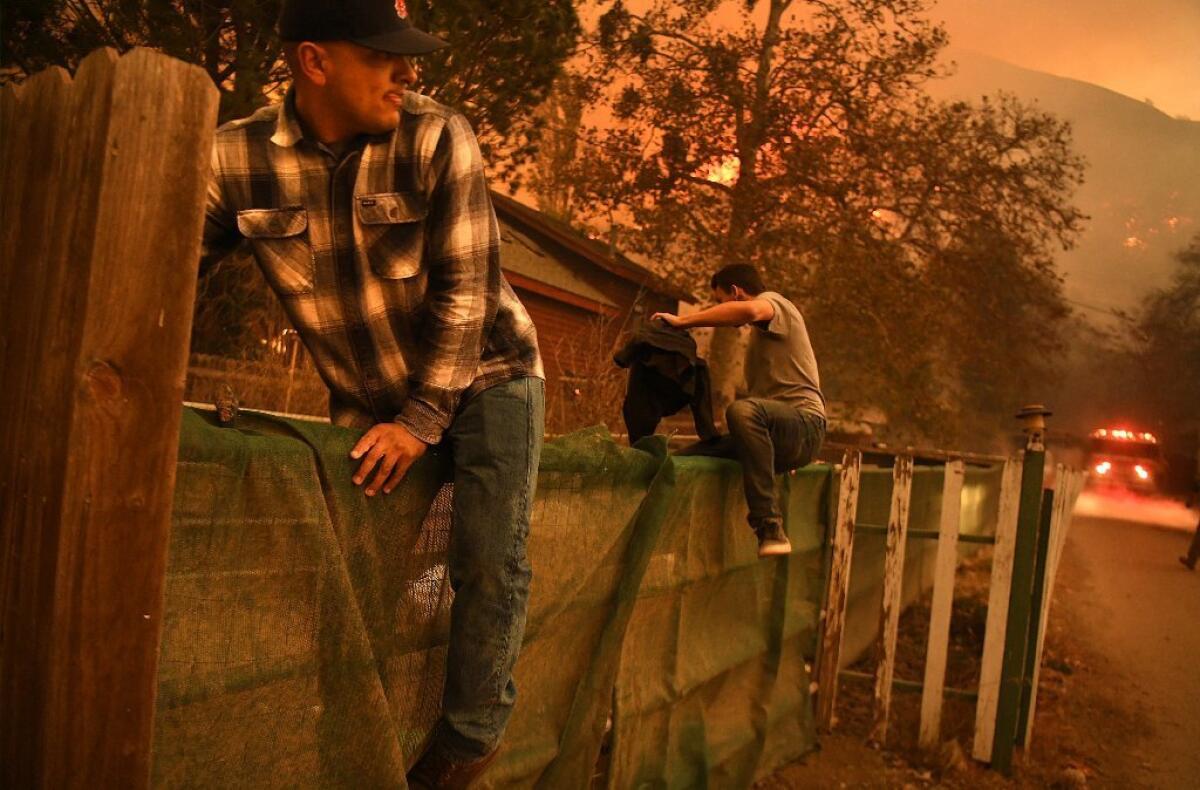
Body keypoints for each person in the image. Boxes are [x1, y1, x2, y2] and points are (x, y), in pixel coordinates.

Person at [200, 1, 544, 785]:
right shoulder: (234, 160)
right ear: (315, 62)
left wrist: (424, 421)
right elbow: (160, 267)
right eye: (385, 55)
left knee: (487, 556)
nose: (408, 71)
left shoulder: (435, 134)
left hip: (489, 372)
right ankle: (353, 727)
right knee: (357, 573)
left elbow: (468, 292)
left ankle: (466, 744)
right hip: (368, 399)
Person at [651, 263, 826, 557]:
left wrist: (684, 322)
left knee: (741, 410)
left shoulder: (776, 305)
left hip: (804, 424)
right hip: (785, 433)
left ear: (736, 292)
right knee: (690, 457)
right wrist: (774, 451)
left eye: (721, 302)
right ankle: (668, 546)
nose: (722, 311)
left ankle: (769, 525)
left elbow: (749, 311)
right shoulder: (763, 341)